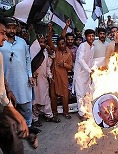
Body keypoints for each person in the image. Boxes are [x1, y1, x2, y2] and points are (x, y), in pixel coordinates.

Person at [0, 17, 39, 148]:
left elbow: (28, 59)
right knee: (10, 112)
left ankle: (27, 129)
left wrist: (29, 75)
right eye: (7, 28)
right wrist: (7, 88)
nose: (10, 31)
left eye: (13, 27)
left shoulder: (22, 42)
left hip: (21, 80)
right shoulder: (2, 45)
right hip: (6, 84)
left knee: (26, 107)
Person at [32, 36, 60, 127]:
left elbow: (48, 66)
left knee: (45, 98)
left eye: (44, 42)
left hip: (44, 79)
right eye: (40, 42)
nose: (42, 44)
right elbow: (28, 65)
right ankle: (35, 118)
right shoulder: (32, 52)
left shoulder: (45, 52)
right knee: (34, 100)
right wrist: (31, 74)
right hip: (34, 79)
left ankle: (49, 115)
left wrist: (50, 76)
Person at [48, 23, 73, 119]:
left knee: (65, 95)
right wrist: (50, 31)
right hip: (54, 76)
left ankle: (66, 112)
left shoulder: (69, 53)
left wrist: (64, 65)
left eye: (62, 43)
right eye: (59, 44)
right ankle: (54, 112)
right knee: (53, 95)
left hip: (63, 76)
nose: (61, 45)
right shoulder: (56, 50)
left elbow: (70, 66)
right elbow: (50, 42)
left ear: (65, 43)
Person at [73, 29, 95, 120]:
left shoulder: (93, 47)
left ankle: (87, 112)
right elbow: (80, 60)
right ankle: (81, 113)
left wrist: (92, 70)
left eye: (93, 36)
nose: (91, 37)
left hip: (87, 75)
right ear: (86, 37)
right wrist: (89, 71)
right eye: (89, 36)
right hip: (80, 74)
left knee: (88, 93)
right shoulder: (82, 46)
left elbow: (91, 60)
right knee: (80, 94)